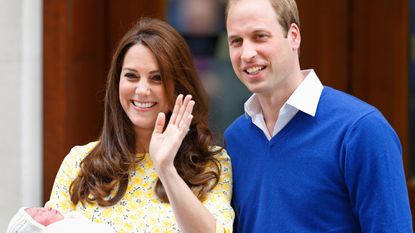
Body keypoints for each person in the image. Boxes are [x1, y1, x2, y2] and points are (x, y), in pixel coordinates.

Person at [223, 0, 413, 232]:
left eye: (260, 36)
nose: (247, 53)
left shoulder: (361, 130)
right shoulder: (236, 139)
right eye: (236, 41)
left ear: (294, 36)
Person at [45, 17, 234, 233]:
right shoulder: (79, 164)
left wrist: (166, 168)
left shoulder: (211, 165)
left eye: (157, 78)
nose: (142, 90)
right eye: (131, 76)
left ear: (178, 88)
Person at [6, 207, 115, 233]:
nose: (48, 208)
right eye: (41, 213)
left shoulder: (68, 220)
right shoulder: (54, 230)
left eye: (41, 208)